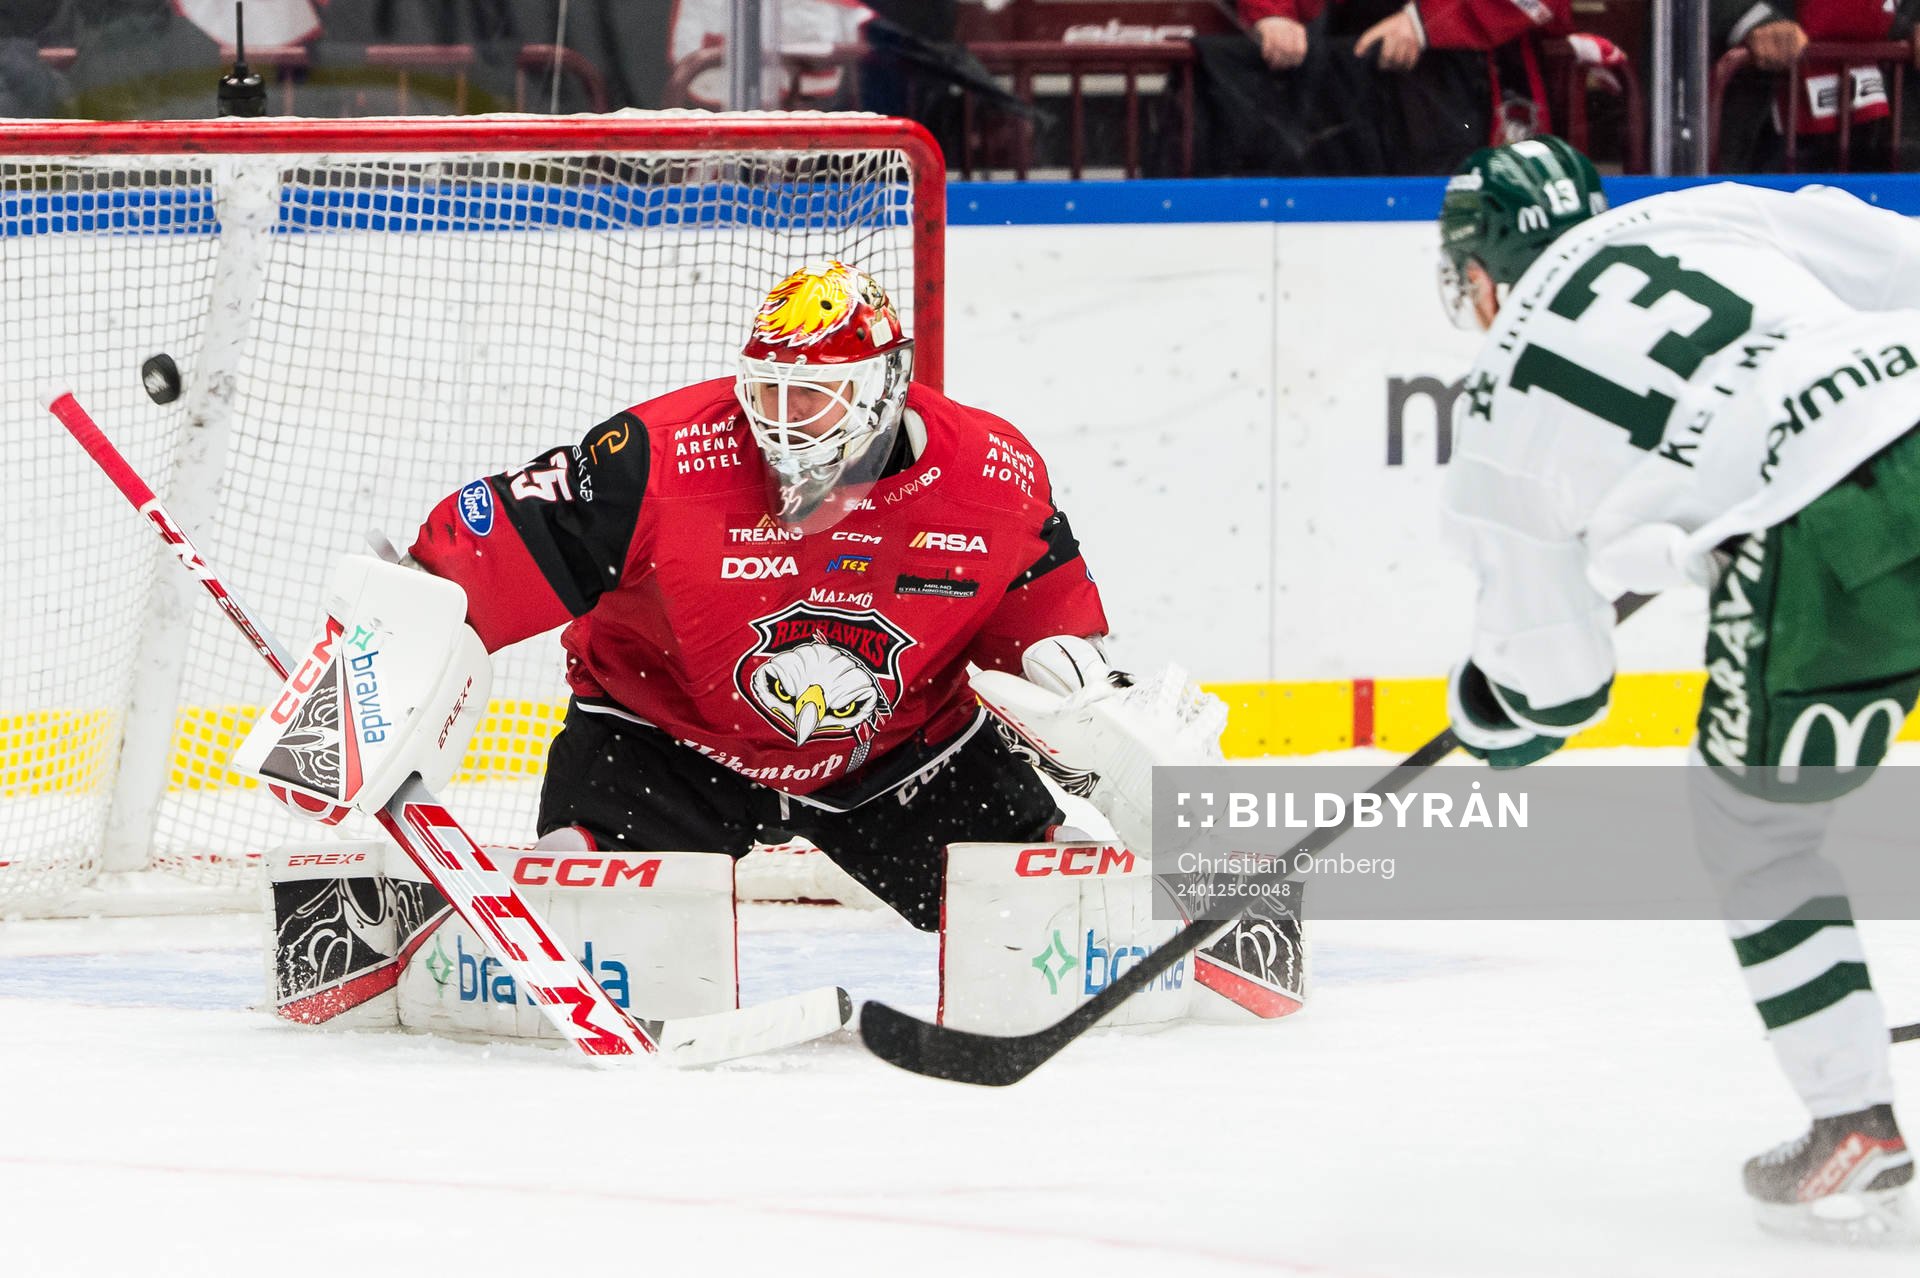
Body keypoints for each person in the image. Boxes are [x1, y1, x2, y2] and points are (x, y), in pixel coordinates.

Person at [1435, 137, 1914, 1239]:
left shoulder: (1500, 411)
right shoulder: (1704, 214)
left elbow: (1554, 691)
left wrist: (1484, 709)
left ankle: (1852, 1122)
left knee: (1758, 834)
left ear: (1481, 273)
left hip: (1823, 531)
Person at [399, 258, 1114, 934]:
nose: (780, 413)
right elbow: (509, 544)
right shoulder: (665, 454)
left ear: (886, 385)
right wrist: (394, 637)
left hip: (899, 757)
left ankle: (1213, 898)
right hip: (666, 743)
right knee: (594, 922)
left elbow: (1053, 649)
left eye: (811, 392)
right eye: (767, 387)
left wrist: (1106, 721)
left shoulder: (994, 476)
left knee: (1053, 913)